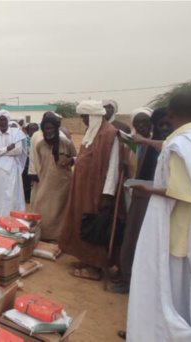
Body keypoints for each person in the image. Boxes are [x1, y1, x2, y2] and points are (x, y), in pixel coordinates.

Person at [126, 92, 191, 342]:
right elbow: (166, 145)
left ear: (170, 114)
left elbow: (180, 192)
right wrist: (145, 141)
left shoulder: (181, 145)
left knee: (170, 290)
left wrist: (147, 188)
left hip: (179, 230)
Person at [59, 100, 122, 281]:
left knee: (95, 226)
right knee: (82, 223)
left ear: (93, 116)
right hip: (83, 189)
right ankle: (86, 259)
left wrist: (107, 194)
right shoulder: (92, 132)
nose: (84, 121)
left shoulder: (110, 135)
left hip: (97, 191)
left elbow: (113, 168)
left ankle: (95, 267)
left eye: (85, 117)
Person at [111, 107, 171, 294]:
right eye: (138, 124)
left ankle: (134, 280)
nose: (142, 127)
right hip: (136, 195)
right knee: (131, 237)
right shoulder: (139, 144)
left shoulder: (159, 144)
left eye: (146, 123)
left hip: (154, 198)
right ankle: (127, 275)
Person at [31, 116, 77, 242]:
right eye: (46, 129)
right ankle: (44, 235)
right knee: (42, 208)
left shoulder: (66, 143)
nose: (48, 131)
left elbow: (77, 158)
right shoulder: (40, 145)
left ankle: (58, 236)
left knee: (60, 211)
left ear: (56, 129)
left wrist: (70, 160)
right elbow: (40, 162)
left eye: (51, 128)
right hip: (45, 181)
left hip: (63, 183)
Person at [0, 110, 27, 221]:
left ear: (8, 120)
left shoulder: (16, 133)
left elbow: (18, 151)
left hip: (12, 170)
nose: (2, 122)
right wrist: (7, 149)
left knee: (11, 195)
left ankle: (10, 219)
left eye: (4, 120)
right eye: (0, 120)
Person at [28, 112, 69, 208]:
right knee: (38, 199)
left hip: (55, 175)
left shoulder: (62, 136)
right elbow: (32, 154)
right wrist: (32, 172)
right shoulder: (36, 135)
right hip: (39, 174)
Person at [23, 123, 39, 204]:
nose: (33, 131)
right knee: (26, 180)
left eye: (35, 130)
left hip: (37, 162)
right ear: (27, 131)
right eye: (31, 130)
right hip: (26, 162)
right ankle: (27, 197)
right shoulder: (24, 140)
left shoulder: (40, 139)